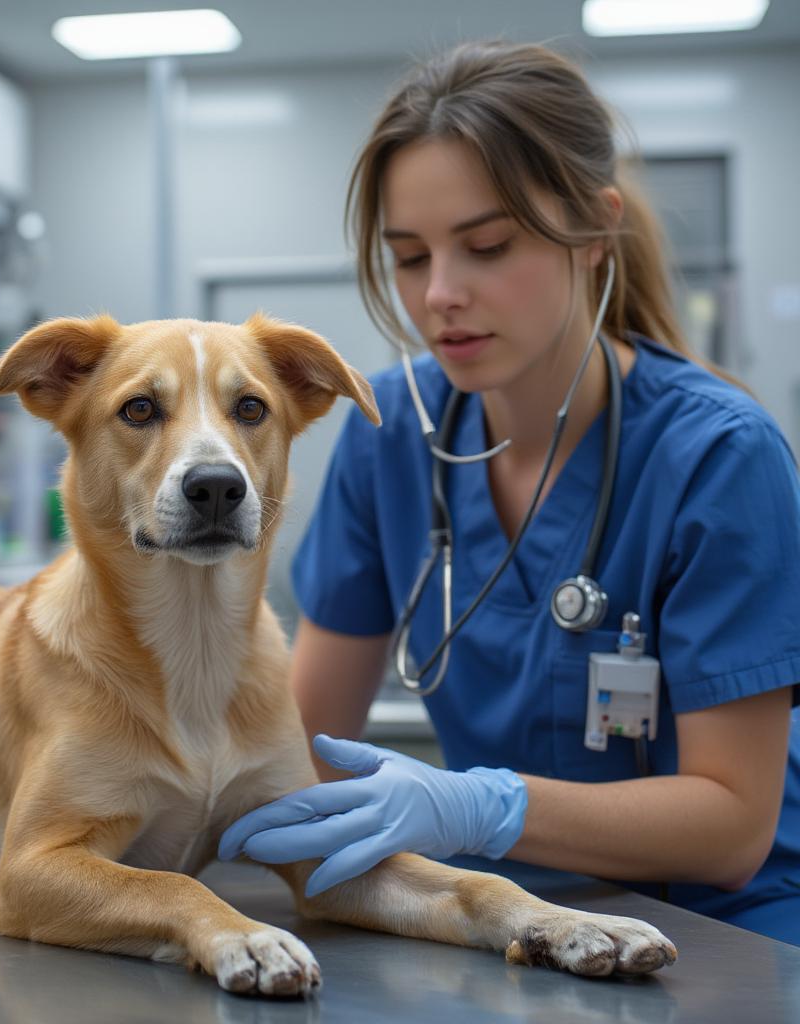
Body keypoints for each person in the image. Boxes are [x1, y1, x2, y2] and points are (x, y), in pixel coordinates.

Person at [219, 40, 800, 945]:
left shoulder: (719, 456)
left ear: (596, 233)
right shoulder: (391, 438)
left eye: (488, 246)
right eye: (409, 257)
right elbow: (302, 750)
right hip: (510, 922)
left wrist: (482, 806)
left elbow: (731, 827)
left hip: (731, 928)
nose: (442, 293)